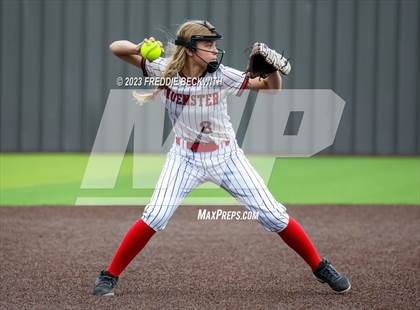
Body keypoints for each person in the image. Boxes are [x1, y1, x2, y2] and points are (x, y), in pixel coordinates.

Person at [92, 20, 350, 296]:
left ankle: (320, 265)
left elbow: (272, 89)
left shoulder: (222, 75)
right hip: (184, 158)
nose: (216, 50)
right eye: (208, 45)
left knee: (274, 215)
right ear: (190, 50)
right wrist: (139, 48)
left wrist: (272, 70)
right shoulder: (164, 68)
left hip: (226, 157)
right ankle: (110, 275)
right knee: (155, 215)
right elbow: (116, 48)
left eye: (215, 44)